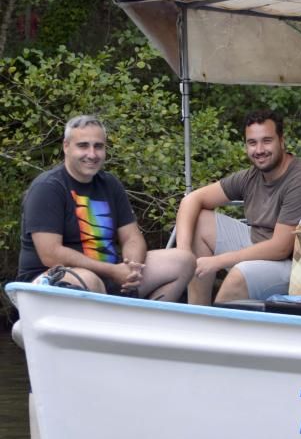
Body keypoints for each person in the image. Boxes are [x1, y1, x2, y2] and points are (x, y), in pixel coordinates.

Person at [17, 115, 195, 301]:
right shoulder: (47, 187)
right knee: (90, 281)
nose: (92, 154)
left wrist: (132, 268)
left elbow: (132, 237)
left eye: (98, 146)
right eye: (83, 145)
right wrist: (112, 271)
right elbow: (51, 254)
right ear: (66, 146)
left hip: (109, 274)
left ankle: (145, 325)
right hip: (48, 279)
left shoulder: (109, 184)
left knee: (183, 261)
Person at [175, 109, 301, 305]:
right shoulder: (251, 176)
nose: (259, 150)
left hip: (297, 266)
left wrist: (219, 261)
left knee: (237, 279)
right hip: (258, 245)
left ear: (282, 141)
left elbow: (280, 248)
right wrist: (183, 254)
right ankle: (196, 315)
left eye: (267, 141)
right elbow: (192, 200)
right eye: (252, 143)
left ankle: (217, 331)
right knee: (199, 220)